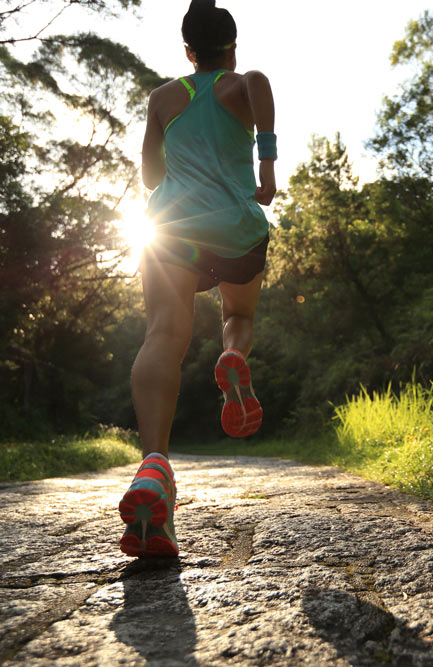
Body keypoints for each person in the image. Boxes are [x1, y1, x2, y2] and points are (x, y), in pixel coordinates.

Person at [118, 0, 277, 558]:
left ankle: (153, 467)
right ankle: (233, 360)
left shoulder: (163, 97)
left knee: (163, 334)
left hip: (173, 229)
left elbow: (150, 176)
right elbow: (260, 98)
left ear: (187, 52)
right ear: (232, 45)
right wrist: (266, 166)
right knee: (238, 315)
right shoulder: (245, 83)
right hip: (236, 229)